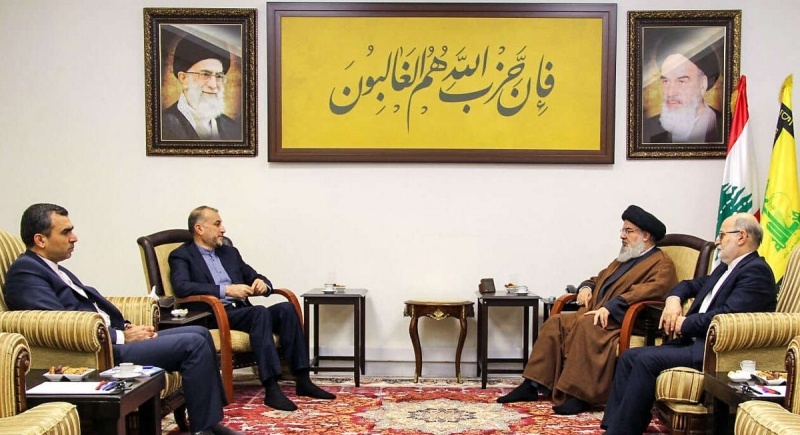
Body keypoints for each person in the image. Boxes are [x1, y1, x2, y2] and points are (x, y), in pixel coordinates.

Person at [2, 203, 241, 435]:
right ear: (40, 240)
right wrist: (122, 336)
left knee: (199, 332)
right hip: (100, 351)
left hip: (109, 339)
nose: (74, 238)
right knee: (194, 343)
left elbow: (87, 306)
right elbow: (56, 323)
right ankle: (203, 429)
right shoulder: (26, 272)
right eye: (66, 232)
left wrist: (126, 326)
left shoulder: (53, 268)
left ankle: (209, 423)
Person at [601, 213, 777, 435]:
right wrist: (673, 299)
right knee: (629, 357)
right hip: (695, 342)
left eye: (722, 235)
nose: (717, 241)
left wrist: (684, 324)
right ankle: (613, 427)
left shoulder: (756, 271)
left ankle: (624, 431)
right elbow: (689, 285)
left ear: (741, 237)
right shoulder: (726, 268)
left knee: (646, 360)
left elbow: (727, 316)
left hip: (715, 351)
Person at [497, 205, 678, 415]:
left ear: (646, 236)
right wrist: (586, 287)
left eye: (628, 231)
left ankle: (578, 396)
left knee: (587, 324)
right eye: (623, 230)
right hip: (599, 314)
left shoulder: (661, 264)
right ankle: (532, 384)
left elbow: (649, 292)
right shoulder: (625, 258)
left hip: (623, 321)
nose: (622, 235)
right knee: (556, 322)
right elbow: (597, 278)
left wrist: (611, 307)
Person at [169, 206, 336, 411]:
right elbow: (182, 287)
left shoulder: (229, 252)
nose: (223, 229)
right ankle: (271, 388)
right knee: (259, 313)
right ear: (199, 229)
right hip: (213, 314)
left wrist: (262, 284)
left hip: (241, 311)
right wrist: (226, 290)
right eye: (217, 224)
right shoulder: (182, 255)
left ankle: (303, 379)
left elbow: (253, 275)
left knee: (286, 308)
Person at [642, 28, 724, 144]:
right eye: (666, 81)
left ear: (702, 84)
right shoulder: (648, 130)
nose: (670, 93)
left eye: (681, 82)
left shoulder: (724, 127)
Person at [162, 31, 242, 141]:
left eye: (218, 76)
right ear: (184, 79)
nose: (213, 85)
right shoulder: (163, 126)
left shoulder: (233, 128)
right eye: (205, 74)